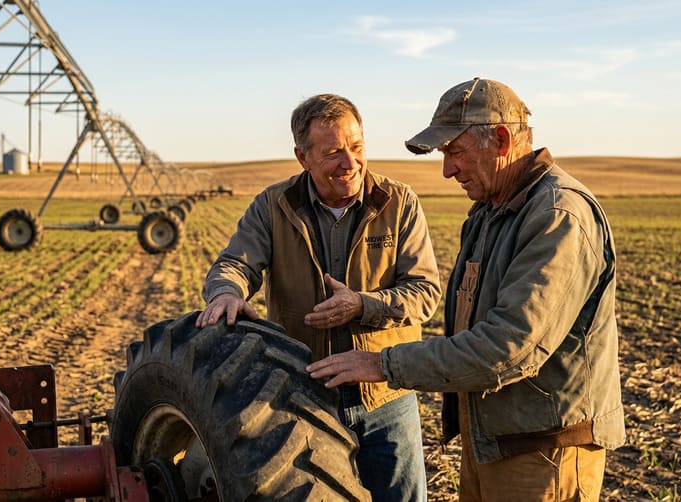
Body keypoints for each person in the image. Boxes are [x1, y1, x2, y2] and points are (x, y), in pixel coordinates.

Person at [307, 78, 625, 501]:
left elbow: (507, 347)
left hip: (545, 453)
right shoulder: (491, 212)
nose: (447, 170)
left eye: (454, 152)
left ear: (500, 139)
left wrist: (384, 364)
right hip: (496, 443)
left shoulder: (557, 216)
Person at [197, 93, 442, 500]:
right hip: (304, 398)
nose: (350, 162)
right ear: (302, 157)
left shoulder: (398, 203)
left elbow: (425, 291)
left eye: (357, 147)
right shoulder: (273, 206)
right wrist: (226, 293)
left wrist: (363, 305)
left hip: (385, 393)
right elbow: (235, 263)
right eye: (332, 152)